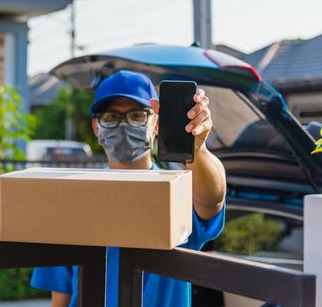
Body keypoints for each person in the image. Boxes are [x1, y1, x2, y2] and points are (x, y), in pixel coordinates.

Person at [30, 70, 226, 307]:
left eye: (136, 115)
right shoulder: (72, 198)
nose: (123, 125)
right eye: (111, 117)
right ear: (96, 127)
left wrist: (198, 150)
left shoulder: (176, 191)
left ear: (156, 124)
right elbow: (60, 296)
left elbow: (212, 199)